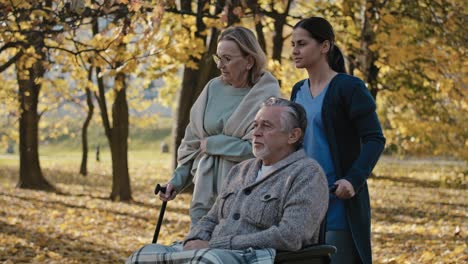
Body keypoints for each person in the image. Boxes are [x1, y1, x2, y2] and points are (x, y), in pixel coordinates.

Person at [127, 97, 329, 264]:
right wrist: (195, 238)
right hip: (215, 253)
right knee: (142, 255)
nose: (256, 132)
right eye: (255, 125)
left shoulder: (307, 174)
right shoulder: (241, 171)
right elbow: (211, 218)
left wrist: (217, 245)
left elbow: (290, 236)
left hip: (263, 258)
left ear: (293, 136)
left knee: (204, 261)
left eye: (266, 126)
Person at [160, 26, 280, 226]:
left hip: (245, 200)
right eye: (219, 58)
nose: (220, 65)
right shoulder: (212, 90)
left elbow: (264, 151)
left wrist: (215, 144)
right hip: (203, 198)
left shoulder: (267, 96)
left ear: (249, 61)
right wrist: (176, 182)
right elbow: (193, 143)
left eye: (228, 59)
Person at [290, 17, 386, 264]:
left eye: (302, 43)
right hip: (303, 202)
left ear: (324, 46)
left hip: (338, 202)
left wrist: (353, 180)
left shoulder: (348, 87)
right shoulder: (297, 90)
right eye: (292, 44)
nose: (294, 50)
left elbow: (375, 138)